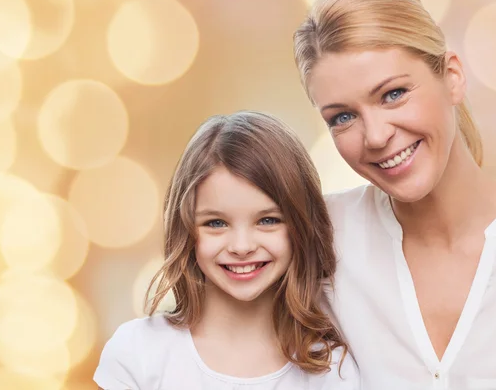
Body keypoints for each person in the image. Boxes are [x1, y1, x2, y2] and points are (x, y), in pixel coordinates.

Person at [293, 0, 496, 389]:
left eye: (393, 94)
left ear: (452, 76)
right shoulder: (316, 243)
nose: (376, 135)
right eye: (342, 117)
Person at [94, 111, 360, 389]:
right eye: (216, 223)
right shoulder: (138, 353)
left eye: (268, 220)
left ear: (300, 227)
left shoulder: (332, 370)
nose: (241, 247)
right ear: (185, 230)